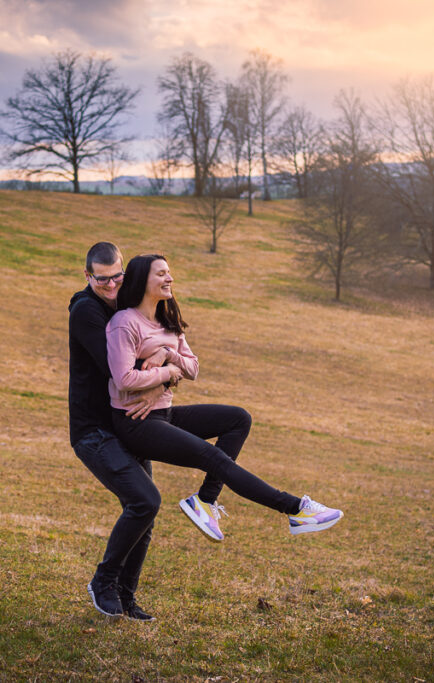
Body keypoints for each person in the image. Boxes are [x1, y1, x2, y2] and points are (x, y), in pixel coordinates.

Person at [106, 253, 344, 543]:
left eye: (169, 272)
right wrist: (168, 374)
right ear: (143, 279)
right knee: (214, 457)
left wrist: (168, 355)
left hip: (163, 414)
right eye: (161, 273)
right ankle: (295, 508)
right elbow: (124, 380)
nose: (170, 278)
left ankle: (205, 501)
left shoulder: (167, 321)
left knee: (238, 419)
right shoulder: (124, 322)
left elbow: (193, 368)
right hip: (135, 423)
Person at [69, 242, 169, 622]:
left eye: (117, 277)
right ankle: (103, 582)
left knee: (144, 511)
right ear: (87, 275)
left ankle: (126, 598)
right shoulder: (86, 312)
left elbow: (161, 344)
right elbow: (123, 372)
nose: (111, 285)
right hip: (93, 430)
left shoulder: (125, 306)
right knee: (145, 500)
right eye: (102, 279)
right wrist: (165, 365)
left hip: (128, 423)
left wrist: (163, 362)